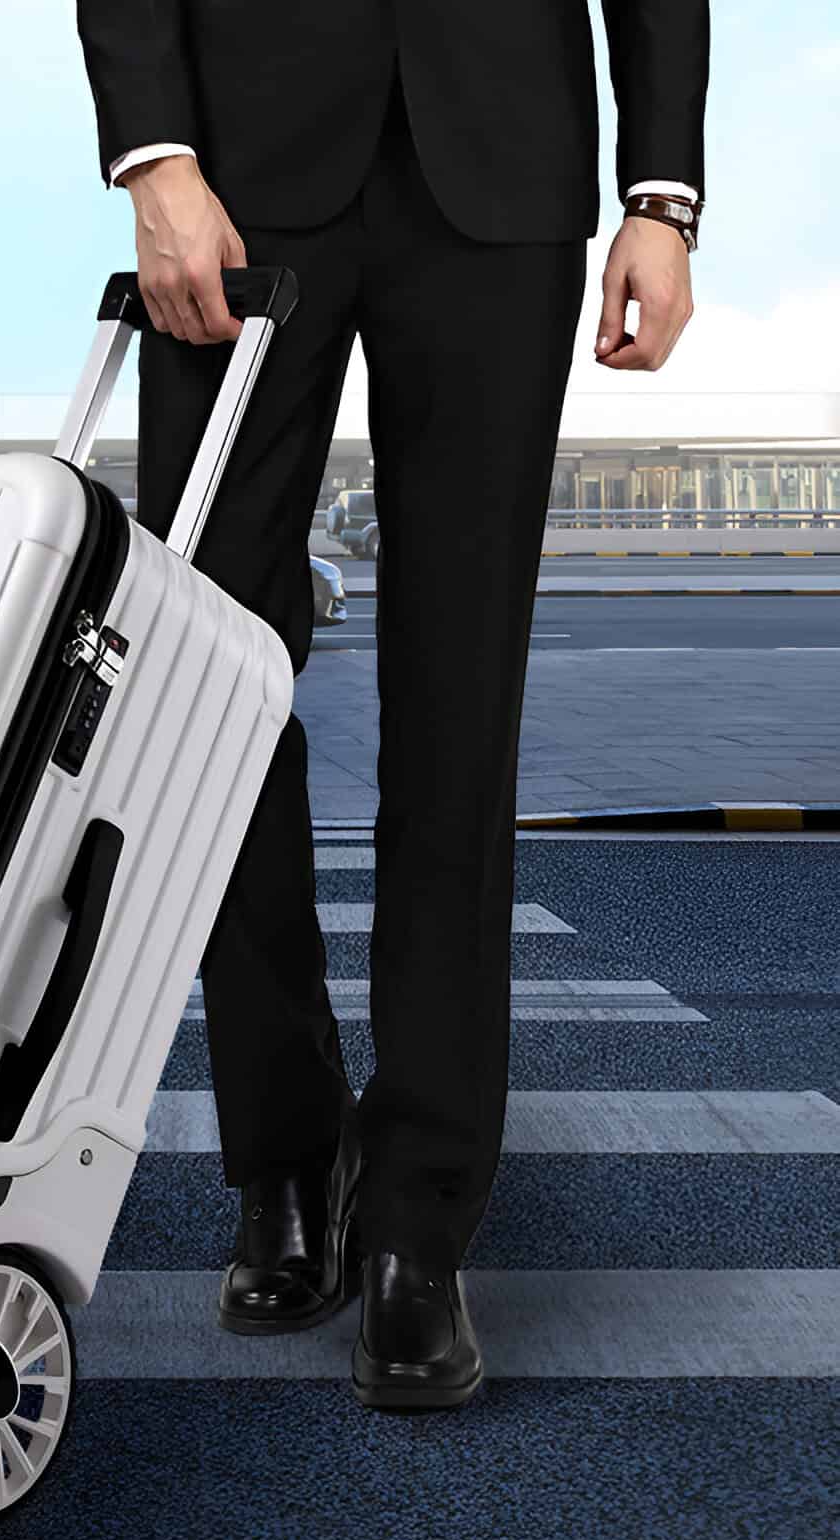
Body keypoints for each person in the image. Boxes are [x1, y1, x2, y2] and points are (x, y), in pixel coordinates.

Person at [76, 1, 708, 1410]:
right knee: (212, 690)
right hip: (236, 174)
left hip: (505, 171)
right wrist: (151, 157)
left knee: (459, 695)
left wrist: (661, 196)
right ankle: (284, 1157)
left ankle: (421, 1217)